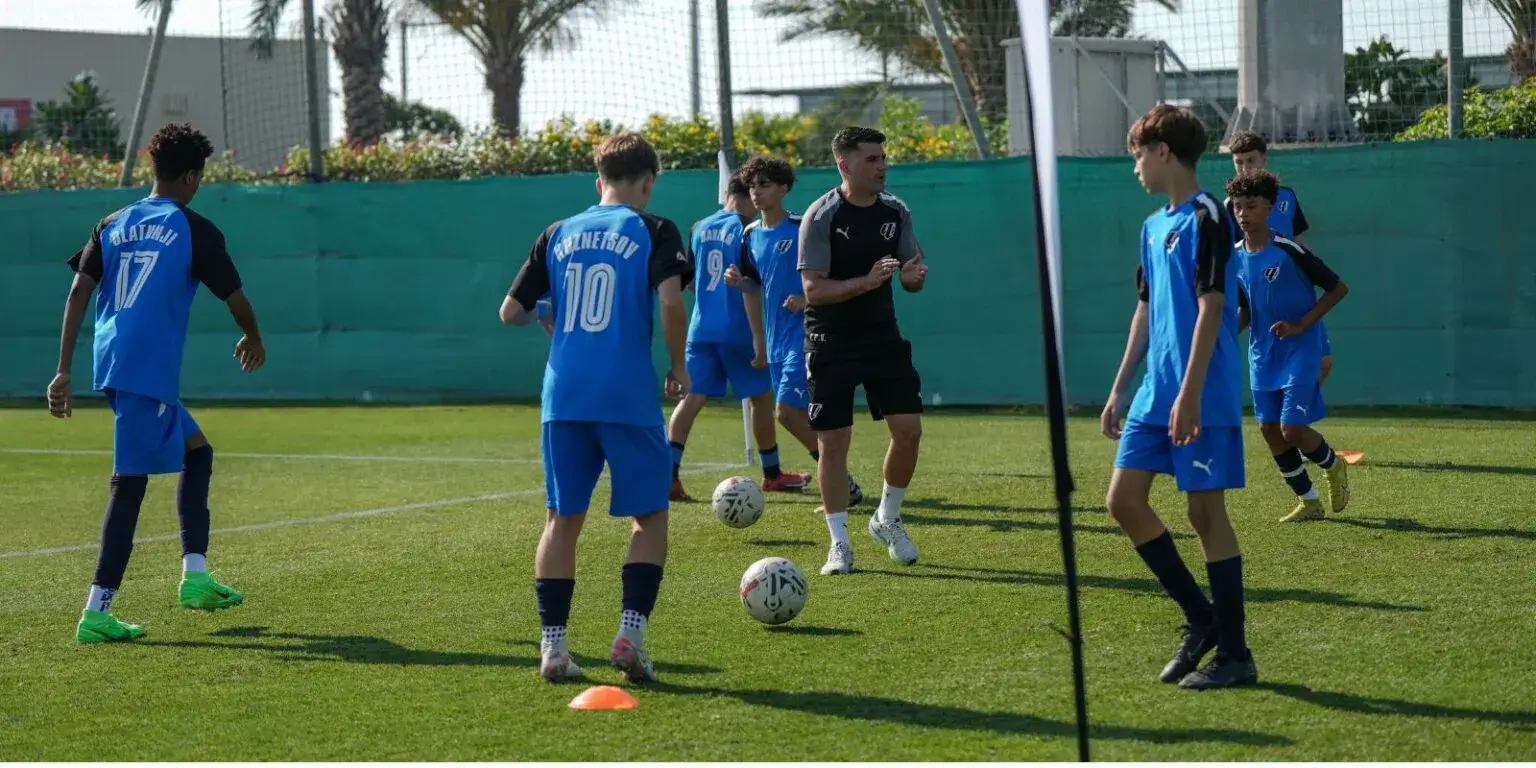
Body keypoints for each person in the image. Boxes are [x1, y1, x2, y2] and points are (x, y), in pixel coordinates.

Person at [47, 122, 266, 645]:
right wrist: (253, 337)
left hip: (118, 363)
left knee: (198, 452)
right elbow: (235, 299)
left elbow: (78, 292)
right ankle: (97, 610)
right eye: (199, 178)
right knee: (131, 483)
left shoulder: (113, 223)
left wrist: (62, 369)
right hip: (147, 370)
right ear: (190, 176)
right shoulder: (194, 229)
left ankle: (196, 577)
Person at [500, 131, 691, 685]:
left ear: (598, 180)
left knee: (562, 520)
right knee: (649, 515)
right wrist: (678, 367)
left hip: (563, 395)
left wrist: (549, 313)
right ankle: (630, 636)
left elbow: (510, 311)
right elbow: (672, 301)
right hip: (625, 394)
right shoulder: (653, 229)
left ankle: (553, 649)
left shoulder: (557, 233)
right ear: (648, 183)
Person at [1103, 105, 1256, 690]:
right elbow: (1145, 309)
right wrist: (1121, 387)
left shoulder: (1209, 215)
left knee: (1204, 513)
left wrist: (1190, 393)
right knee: (1123, 501)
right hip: (1153, 393)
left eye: (1138, 154)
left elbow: (1214, 306)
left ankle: (1236, 656)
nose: (1136, 166)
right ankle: (1201, 620)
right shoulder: (1151, 226)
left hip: (1201, 394)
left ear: (1164, 150)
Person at [796, 126, 928, 577]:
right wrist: (865, 282)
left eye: (882, 157)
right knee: (833, 443)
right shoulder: (821, 216)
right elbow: (812, 289)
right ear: (844, 165)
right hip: (830, 339)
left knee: (908, 430)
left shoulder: (897, 211)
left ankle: (887, 518)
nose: (882, 165)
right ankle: (839, 544)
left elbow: (912, 272)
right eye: (871, 159)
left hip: (881, 335)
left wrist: (913, 277)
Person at [724, 155, 865, 507]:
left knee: (786, 412)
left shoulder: (803, 227)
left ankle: (841, 481)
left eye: (765, 185)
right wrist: (742, 286)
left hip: (809, 333)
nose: (756, 192)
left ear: (784, 188)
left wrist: (807, 297)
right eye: (752, 186)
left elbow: (837, 271)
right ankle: (841, 482)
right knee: (804, 414)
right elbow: (756, 288)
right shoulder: (749, 235)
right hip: (775, 341)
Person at [667, 173, 810, 502]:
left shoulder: (699, 227)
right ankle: (772, 474)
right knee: (760, 398)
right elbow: (754, 281)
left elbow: (689, 282)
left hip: (701, 329)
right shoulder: (748, 230)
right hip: (738, 328)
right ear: (746, 192)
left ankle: (669, 476)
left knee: (691, 400)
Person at [1227, 170, 1351, 522]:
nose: (1242, 214)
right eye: (1237, 207)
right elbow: (1246, 309)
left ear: (1270, 208)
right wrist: (1221, 340)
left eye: (1250, 206)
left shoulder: (1287, 249)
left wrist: (1301, 324)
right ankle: (1309, 501)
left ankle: (1334, 465)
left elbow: (1338, 288)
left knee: (1291, 430)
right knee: (1269, 431)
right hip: (1263, 355)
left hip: (1301, 349)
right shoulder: (1234, 257)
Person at [1226, 131, 1332, 383]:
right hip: (1261, 289)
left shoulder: (1287, 196)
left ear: (1264, 159)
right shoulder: (1232, 206)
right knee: (1275, 357)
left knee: (1324, 362)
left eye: (1250, 160)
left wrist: (1313, 271)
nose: (1245, 168)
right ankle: (1287, 417)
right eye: (1238, 162)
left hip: (1295, 288)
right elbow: (1232, 254)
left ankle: (1296, 413)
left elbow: (1298, 241)